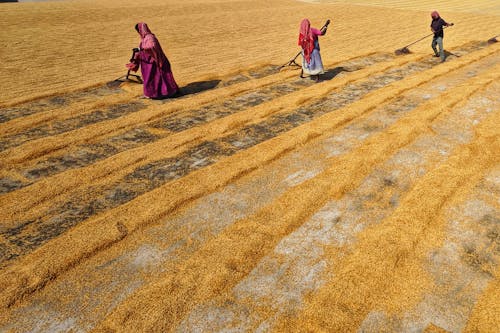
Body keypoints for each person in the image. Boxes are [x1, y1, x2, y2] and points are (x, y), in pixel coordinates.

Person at [126, 22, 179, 99]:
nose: (138, 32)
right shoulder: (144, 38)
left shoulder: (150, 37)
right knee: (149, 79)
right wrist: (136, 55)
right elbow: (142, 48)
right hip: (148, 64)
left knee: (158, 79)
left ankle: (167, 92)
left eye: (139, 30)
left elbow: (152, 46)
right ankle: (150, 94)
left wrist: (140, 49)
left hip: (155, 63)